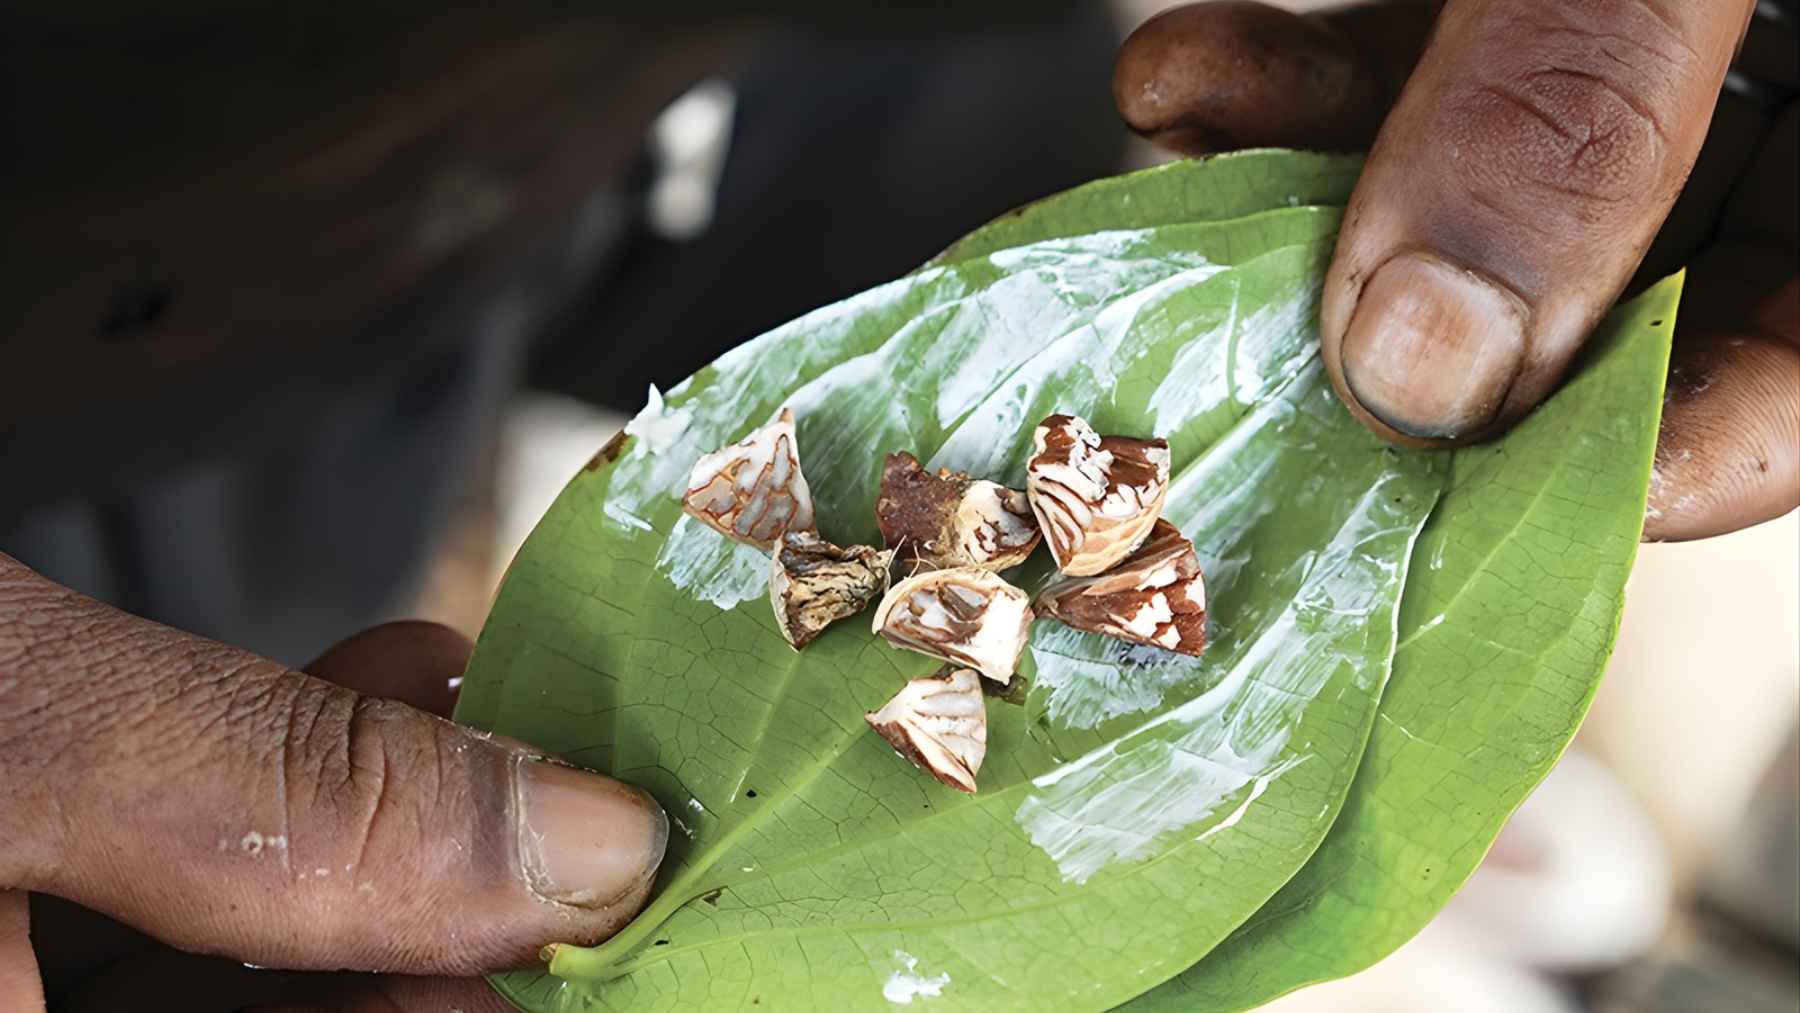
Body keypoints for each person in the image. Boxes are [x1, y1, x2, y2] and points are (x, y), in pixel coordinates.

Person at [2, 2, 1794, 1010]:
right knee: (246, 612)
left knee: (935, 210)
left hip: (656, 80)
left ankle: (1306, 671)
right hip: (129, 231)